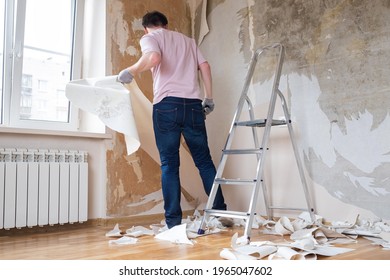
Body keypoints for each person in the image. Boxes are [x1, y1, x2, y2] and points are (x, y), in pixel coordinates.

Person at [117, 10, 227, 229]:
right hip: (193, 106)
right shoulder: (188, 41)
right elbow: (205, 66)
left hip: (167, 106)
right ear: (165, 25)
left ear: (147, 28)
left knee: (169, 165)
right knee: (204, 161)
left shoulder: (150, 38)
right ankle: (220, 211)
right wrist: (209, 98)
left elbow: (154, 57)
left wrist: (132, 70)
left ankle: (173, 223)